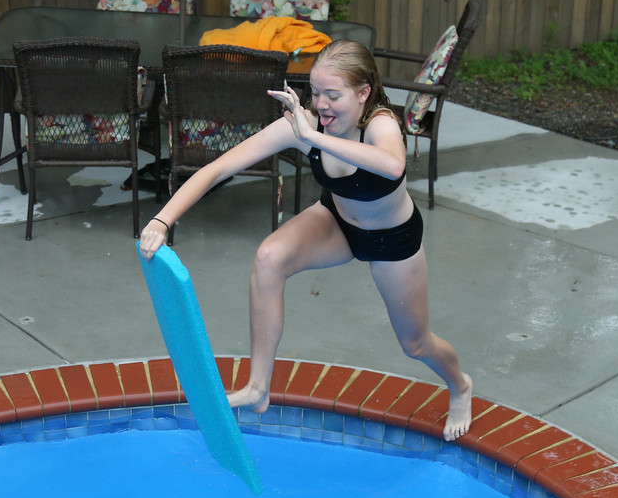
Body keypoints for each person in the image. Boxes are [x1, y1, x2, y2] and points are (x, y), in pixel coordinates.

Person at [137, 39, 474, 441]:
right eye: (315, 93)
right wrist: (162, 220)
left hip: (392, 240)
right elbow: (217, 169)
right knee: (269, 257)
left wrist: (312, 137)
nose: (321, 105)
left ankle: (460, 385)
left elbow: (392, 165)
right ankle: (258, 387)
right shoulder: (304, 123)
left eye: (333, 95)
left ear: (363, 93)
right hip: (337, 222)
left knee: (415, 345)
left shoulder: (379, 124)